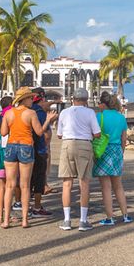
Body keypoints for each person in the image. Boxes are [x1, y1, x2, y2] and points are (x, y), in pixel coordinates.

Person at [0, 87, 56, 229]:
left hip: (11, 146)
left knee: (10, 185)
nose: (32, 100)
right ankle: (24, 220)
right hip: (26, 146)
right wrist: (48, 120)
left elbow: (3, 132)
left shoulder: (9, 113)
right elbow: (39, 132)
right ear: (24, 99)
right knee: (25, 185)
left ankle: (6, 220)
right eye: (30, 98)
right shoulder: (31, 113)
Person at [55, 87, 101, 231]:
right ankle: (83, 220)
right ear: (86, 100)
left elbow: (59, 135)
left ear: (72, 99)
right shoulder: (90, 112)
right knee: (84, 183)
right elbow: (97, 133)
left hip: (67, 144)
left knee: (67, 183)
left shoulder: (64, 112)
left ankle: (67, 220)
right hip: (84, 145)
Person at [94, 92, 132, 225]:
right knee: (118, 186)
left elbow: (94, 135)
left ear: (104, 104)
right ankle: (125, 215)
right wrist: (121, 153)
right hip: (116, 151)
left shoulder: (99, 116)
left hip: (103, 151)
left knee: (106, 187)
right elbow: (124, 139)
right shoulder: (121, 117)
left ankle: (110, 217)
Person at [27, 87, 53, 218]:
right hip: (39, 149)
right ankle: (37, 207)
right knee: (38, 179)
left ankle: (23, 206)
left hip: (25, 149)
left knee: (26, 180)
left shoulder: (22, 111)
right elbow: (44, 133)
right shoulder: (40, 114)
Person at [0, 95, 12, 224]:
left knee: (2, 186)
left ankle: (0, 215)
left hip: (0, 157)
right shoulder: (12, 125)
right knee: (12, 185)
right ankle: (7, 215)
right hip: (10, 154)